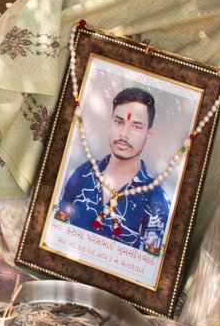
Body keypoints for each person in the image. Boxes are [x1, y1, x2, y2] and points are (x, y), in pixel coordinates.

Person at [56, 87, 171, 253]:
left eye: (136, 127)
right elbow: (56, 227)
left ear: (149, 134)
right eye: (119, 122)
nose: (124, 134)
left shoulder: (156, 198)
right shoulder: (85, 171)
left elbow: (149, 265)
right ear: (111, 124)